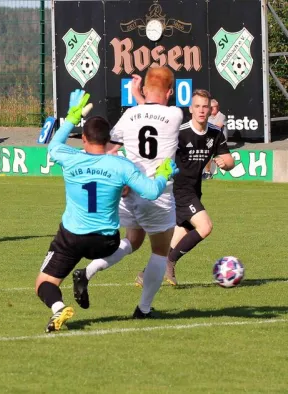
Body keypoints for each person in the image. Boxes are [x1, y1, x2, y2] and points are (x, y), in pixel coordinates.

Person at [36, 89, 178, 333]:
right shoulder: (121, 165)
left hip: (71, 237)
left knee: (44, 283)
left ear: (84, 139)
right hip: (105, 241)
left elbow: (54, 145)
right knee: (130, 243)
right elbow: (152, 192)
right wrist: (163, 174)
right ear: (108, 139)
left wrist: (71, 118)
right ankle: (91, 273)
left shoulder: (70, 158)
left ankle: (59, 308)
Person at [74, 67, 184, 319]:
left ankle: (87, 272)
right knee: (160, 251)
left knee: (133, 241)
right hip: (157, 193)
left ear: (144, 89)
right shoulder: (176, 115)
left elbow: (111, 147)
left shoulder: (130, 115)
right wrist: (142, 95)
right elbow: (156, 114)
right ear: (170, 92)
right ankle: (143, 309)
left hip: (128, 191)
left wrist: (138, 98)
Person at [150, 89, 234, 286]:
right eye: (197, 106)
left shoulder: (215, 133)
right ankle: (171, 262)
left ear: (211, 109)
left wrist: (225, 163)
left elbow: (230, 160)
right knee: (205, 227)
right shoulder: (180, 132)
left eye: (205, 106)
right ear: (191, 109)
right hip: (178, 189)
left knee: (178, 237)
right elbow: (160, 157)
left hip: (194, 190)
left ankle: (148, 273)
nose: (202, 110)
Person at [203, 99, 227, 179]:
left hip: (220, 140)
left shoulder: (222, 116)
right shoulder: (208, 117)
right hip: (210, 138)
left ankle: (207, 173)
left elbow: (217, 128)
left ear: (217, 107)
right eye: (210, 107)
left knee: (207, 150)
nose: (212, 109)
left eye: (214, 107)